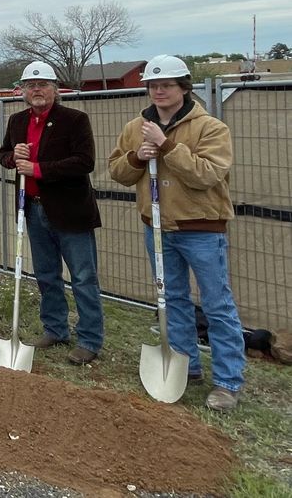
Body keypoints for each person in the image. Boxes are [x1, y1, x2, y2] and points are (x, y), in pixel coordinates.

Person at [108, 55, 246, 411]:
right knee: (172, 302)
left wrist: (167, 146)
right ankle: (187, 367)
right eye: (153, 86)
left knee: (217, 305)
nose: (159, 92)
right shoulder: (135, 127)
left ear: (184, 87)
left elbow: (206, 175)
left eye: (166, 85)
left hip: (200, 229)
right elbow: (118, 171)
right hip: (156, 229)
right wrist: (138, 156)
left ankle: (228, 382)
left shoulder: (210, 128)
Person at [0, 61, 104, 365]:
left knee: (83, 277)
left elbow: (84, 162)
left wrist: (39, 169)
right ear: (23, 91)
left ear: (55, 89)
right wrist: (11, 157)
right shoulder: (17, 121)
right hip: (33, 210)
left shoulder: (75, 120)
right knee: (46, 275)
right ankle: (55, 328)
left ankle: (90, 339)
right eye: (31, 86)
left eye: (43, 85)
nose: (37, 90)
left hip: (70, 212)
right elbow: (4, 154)